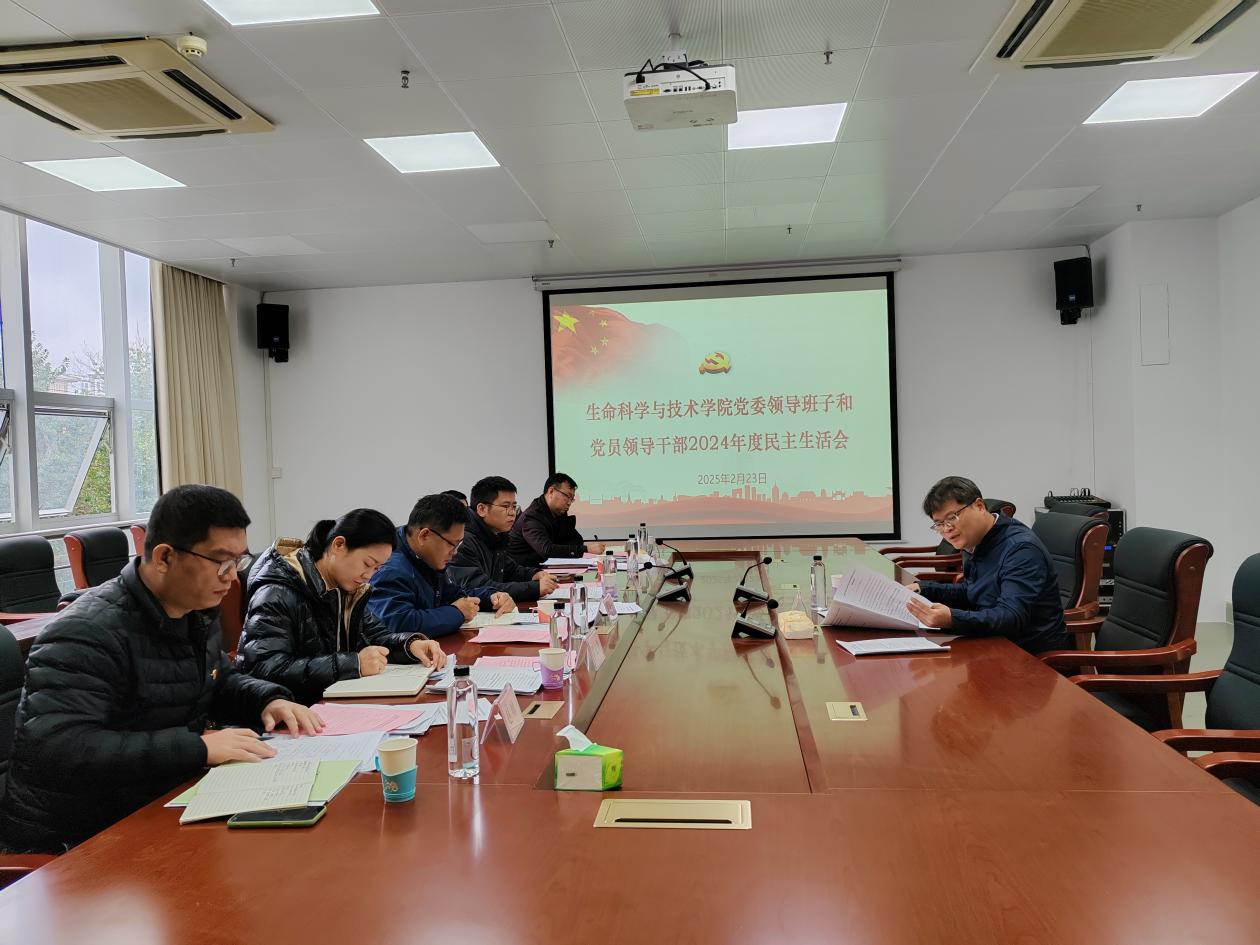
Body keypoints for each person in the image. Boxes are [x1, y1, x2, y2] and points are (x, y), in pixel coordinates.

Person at [0, 485, 324, 854]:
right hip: (76, 840)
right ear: (165, 557)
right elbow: (61, 748)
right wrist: (197, 748)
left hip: (158, 803)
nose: (232, 578)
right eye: (221, 562)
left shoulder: (196, 611)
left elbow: (217, 680)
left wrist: (267, 700)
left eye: (239, 561)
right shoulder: (85, 632)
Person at [237, 509, 448, 706]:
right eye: (367, 564)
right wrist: (353, 664)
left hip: (331, 704)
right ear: (338, 545)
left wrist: (410, 646)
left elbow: (375, 637)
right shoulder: (277, 592)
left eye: (377, 569)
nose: (369, 576)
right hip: (292, 713)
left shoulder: (347, 589)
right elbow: (264, 669)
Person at [906, 476, 1069, 654]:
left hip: (1031, 656)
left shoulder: (1020, 549)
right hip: (993, 643)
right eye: (939, 524)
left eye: (952, 517)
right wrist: (922, 589)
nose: (946, 529)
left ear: (979, 506)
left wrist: (952, 619)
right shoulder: (976, 539)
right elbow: (973, 591)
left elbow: (1012, 617)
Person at [368, 493, 515, 638]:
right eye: (452, 544)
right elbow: (397, 623)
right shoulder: (389, 566)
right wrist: (457, 613)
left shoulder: (426, 557)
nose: (455, 552)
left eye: (459, 544)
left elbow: (453, 594)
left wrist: (491, 598)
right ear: (424, 535)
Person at [449, 476, 560, 602]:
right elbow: (479, 588)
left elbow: (510, 570)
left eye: (514, 506)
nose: (512, 513)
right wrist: (534, 588)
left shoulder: (495, 535)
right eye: (506, 506)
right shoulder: (463, 541)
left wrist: (534, 574)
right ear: (482, 509)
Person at [508, 472, 605, 569]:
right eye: (567, 496)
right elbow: (546, 550)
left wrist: (582, 548)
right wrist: (586, 549)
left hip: (544, 570)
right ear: (551, 491)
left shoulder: (558, 513)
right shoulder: (532, 517)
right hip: (524, 572)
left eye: (572, 499)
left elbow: (576, 540)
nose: (569, 503)